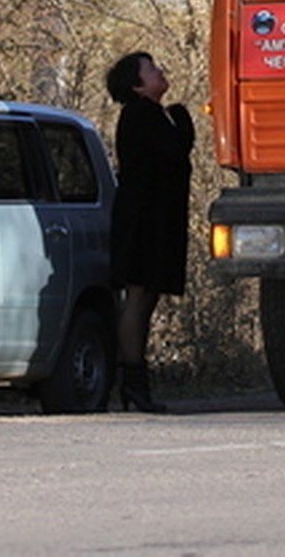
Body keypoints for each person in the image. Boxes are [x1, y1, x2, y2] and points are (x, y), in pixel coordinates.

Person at [105, 51, 194, 413]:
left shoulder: (152, 115)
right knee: (138, 296)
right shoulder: (142, 115)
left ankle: (136, 380)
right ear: (137, 84)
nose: (160, 71)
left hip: (156, 218)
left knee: (148, 297)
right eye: (152, 69)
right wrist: (184, 119)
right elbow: (176, 149)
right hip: (143, 220)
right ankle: (133, 380)